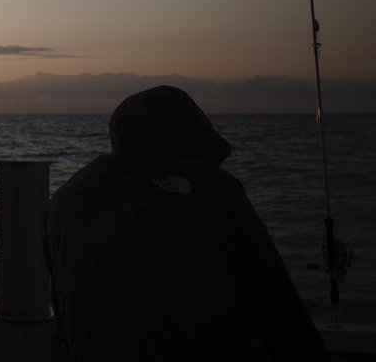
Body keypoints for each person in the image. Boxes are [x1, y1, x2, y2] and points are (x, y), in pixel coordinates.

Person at [44, 85, 325, 361]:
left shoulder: (64, 198)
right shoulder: (211, 188)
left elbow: (63, 301)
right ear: (190, 133)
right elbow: (275, 300)